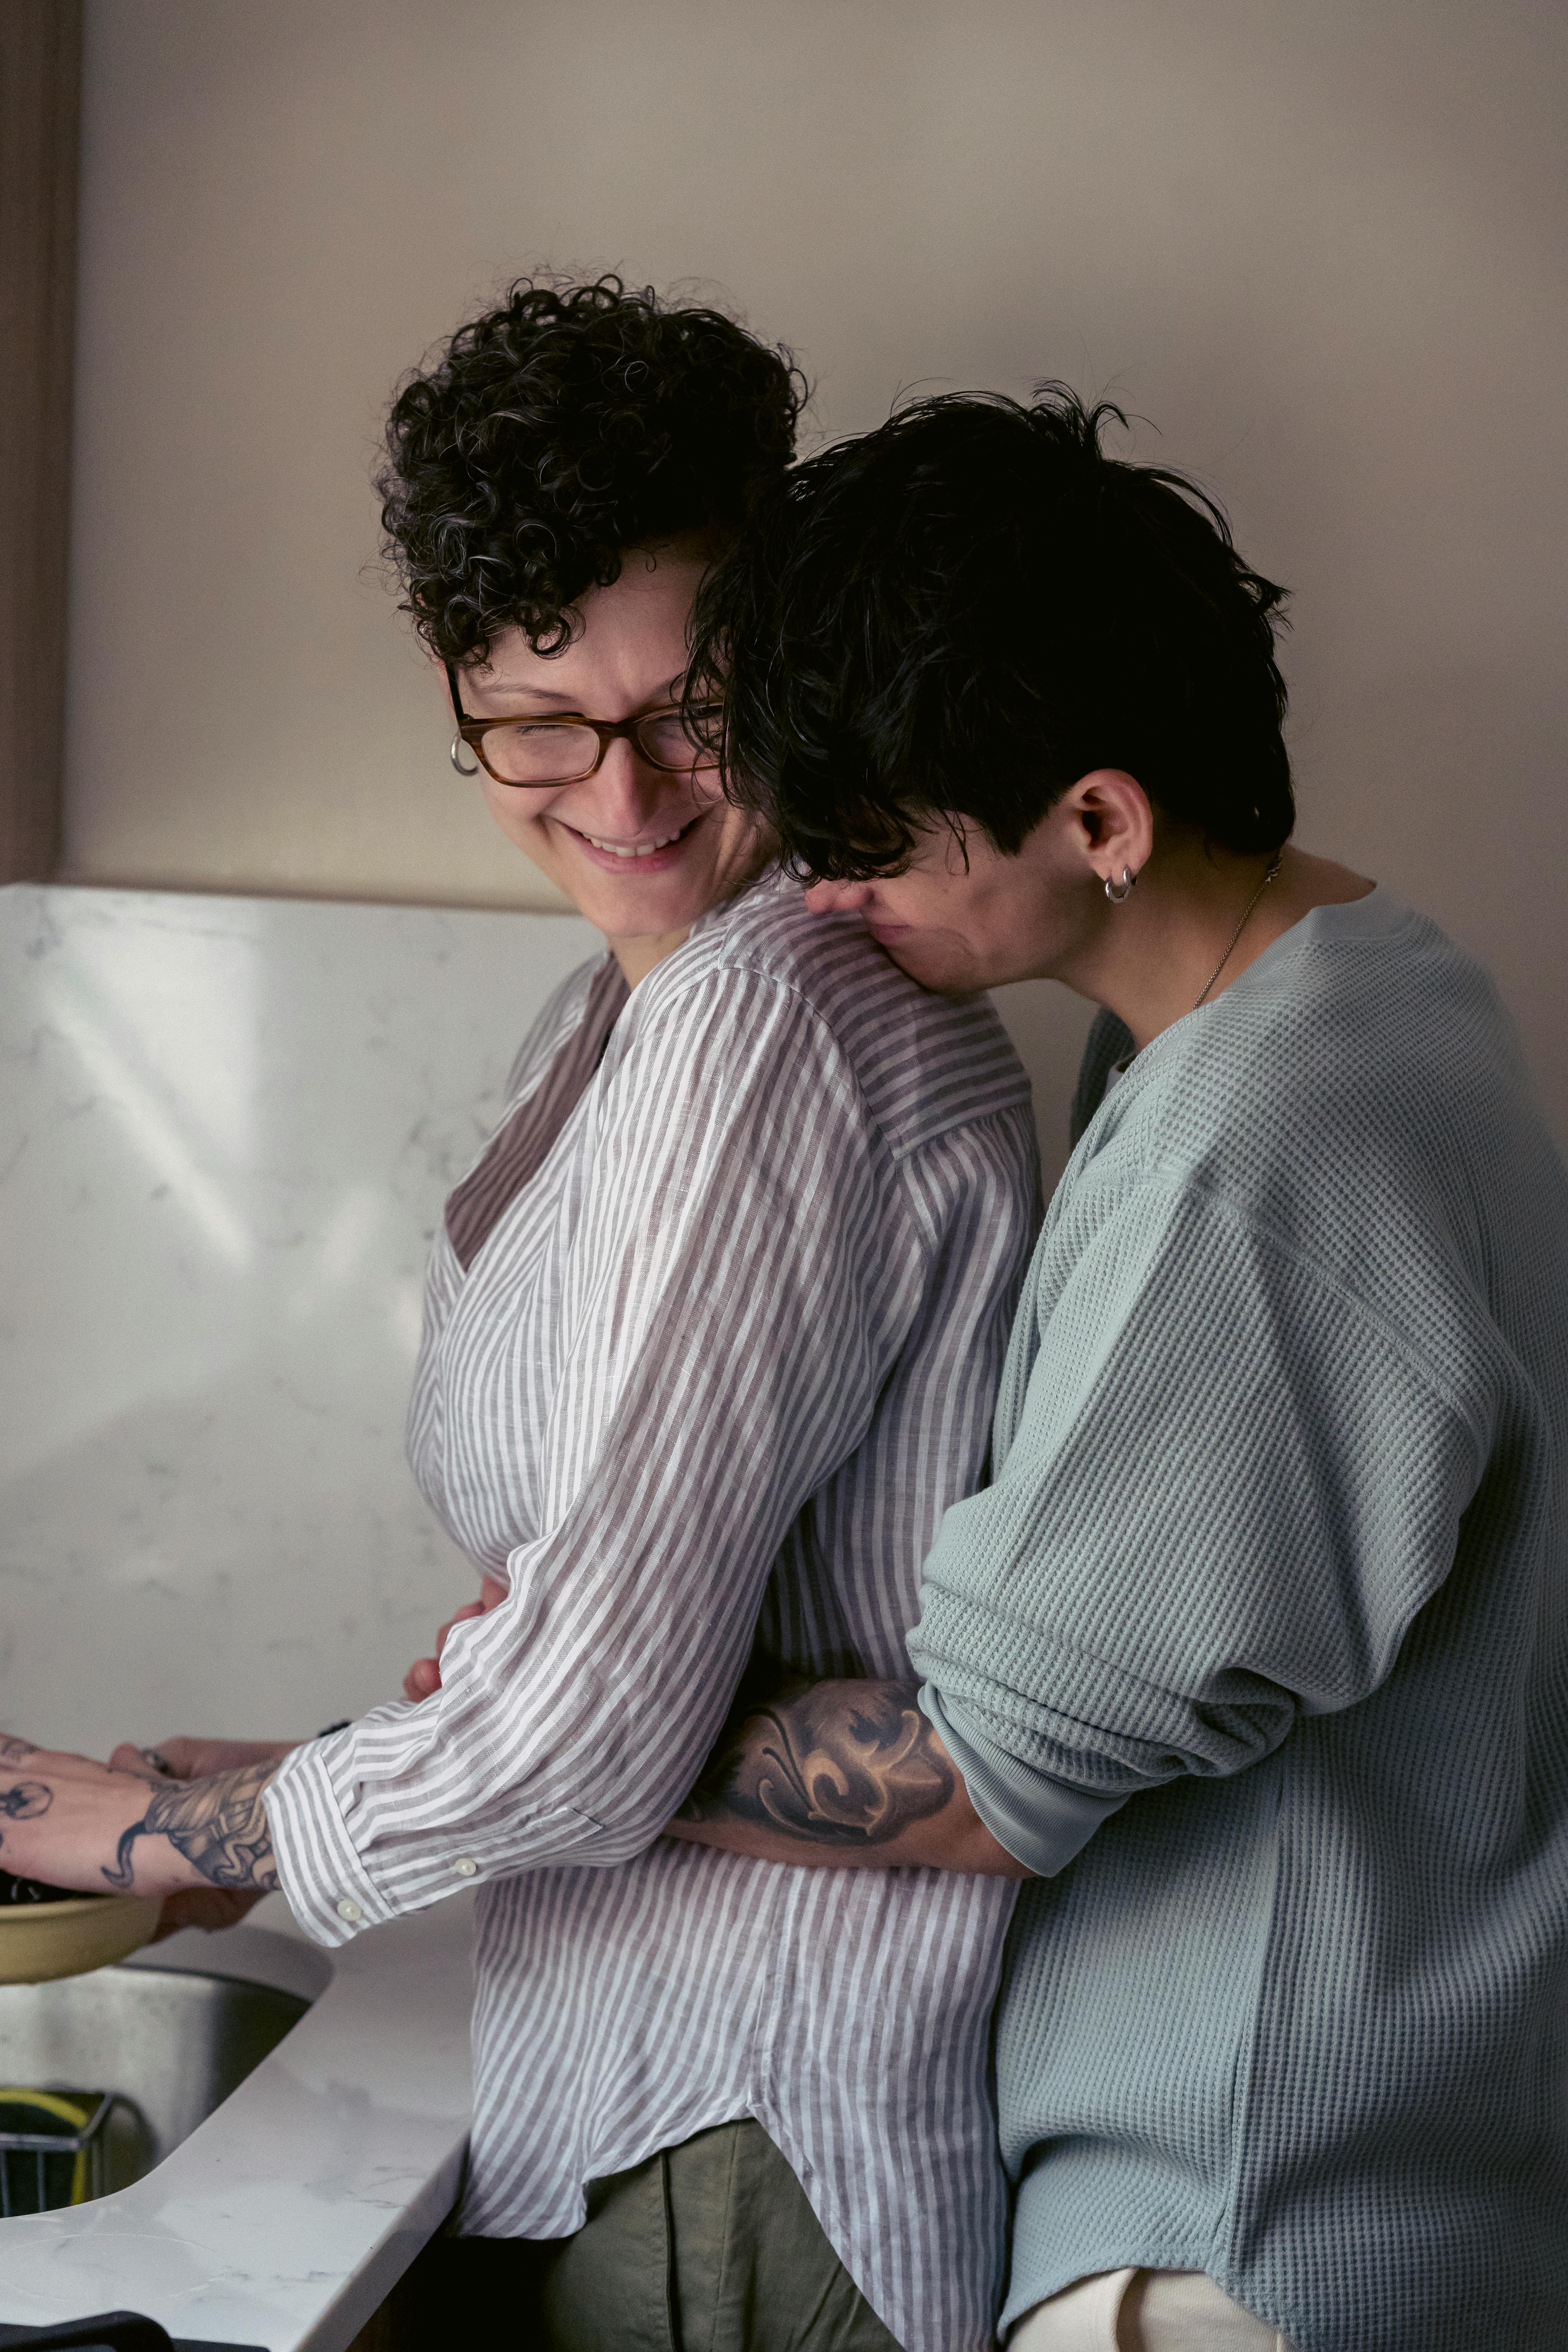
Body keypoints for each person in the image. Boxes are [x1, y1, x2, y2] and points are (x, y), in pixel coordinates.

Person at [0, 287, 1040, 2352]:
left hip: (759, 2124)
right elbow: (607, 1644)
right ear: (459, 697)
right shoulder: (640, 1008)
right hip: (671, 2094)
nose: (625, 786)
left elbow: (591, 1732)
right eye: (540, 721)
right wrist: (297, 1782)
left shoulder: (772, 1018)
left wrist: (164, 1824)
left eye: (694, 700)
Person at [662, 389, 1568, 2352]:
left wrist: (581, 1729)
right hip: (1362, 2189)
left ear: (1098, 818)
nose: (826, 893)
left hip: (1237, 2237)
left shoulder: (1264, 1147)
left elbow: (988, 1780)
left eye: (877, 847)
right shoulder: (1379, 984)